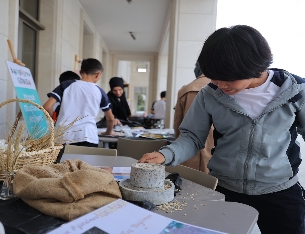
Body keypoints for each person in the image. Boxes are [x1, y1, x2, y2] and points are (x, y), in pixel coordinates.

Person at [139, 25, 305, 233]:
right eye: (213, 77)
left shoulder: (295, 91)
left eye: (226, 78)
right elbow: (191, 137)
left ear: (255, 66)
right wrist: (165, 155)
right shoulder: (210, 94)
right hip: (225, 189)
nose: (219, 84)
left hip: (281, 192)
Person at [43, 58, 115, 162]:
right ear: (98, 74)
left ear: (81, 72)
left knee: (60, 172)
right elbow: (110, 118)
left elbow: (46, 107)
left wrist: (55, 120)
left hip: (64, 136)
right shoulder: (100, 91)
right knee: (84, 174)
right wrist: (108, 132)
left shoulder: (66, 85)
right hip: (88, 136)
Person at [173, 62, 213, 173]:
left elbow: (178, 126)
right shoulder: (225, 87)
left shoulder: (186, 90)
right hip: (215, 156)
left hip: (188, 154)